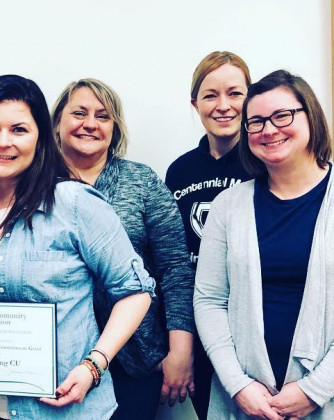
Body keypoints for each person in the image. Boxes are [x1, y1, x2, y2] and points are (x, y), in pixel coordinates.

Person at [0, 74, 154, 419]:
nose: (3, 142)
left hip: (63, 410)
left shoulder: (74, 203)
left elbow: (135, 292)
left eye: (19, 130)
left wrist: (93, 366)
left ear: (40, 138)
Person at [51, 78, 195, 419]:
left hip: (135, 358)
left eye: (103, 116)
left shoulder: (141, 182)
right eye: (79, 113)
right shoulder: (33, 186)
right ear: (57, 122)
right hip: (56, 358)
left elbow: (174, 268)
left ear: (115, 128)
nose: (90, 123)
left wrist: (180, 349)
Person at [194, 70, 334, 419]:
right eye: (255, 122)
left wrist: (315, 388)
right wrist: (238, 384)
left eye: (282, 116)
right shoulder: (228, 205)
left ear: (311, 115)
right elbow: (209, 299)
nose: (269, 130)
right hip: (243, 401)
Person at [164, 51, 253, 419]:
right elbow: (170, 261)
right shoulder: (179, 171)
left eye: (235, 93)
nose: (223, 106)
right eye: (210, 95)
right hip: (200, 327)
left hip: (252, 324)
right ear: (194, 103)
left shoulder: (265, 163)